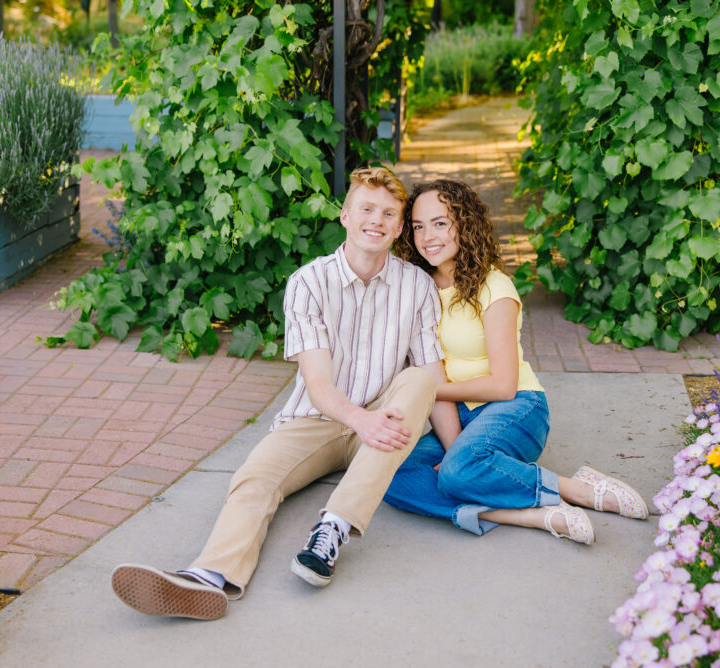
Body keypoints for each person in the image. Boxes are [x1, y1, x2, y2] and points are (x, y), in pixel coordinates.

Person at [110, 167, 459, 621]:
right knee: (254, 477)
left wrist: (456, 456)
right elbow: (317, 385)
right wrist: (361, 421)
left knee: (418, 382)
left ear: (397, 227)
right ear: (346, 216)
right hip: (318, 418)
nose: (376, 220)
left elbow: (434, 377)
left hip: (383, 418)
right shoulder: (308, 283)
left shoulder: (416, 285)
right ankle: (208, 578)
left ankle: (332, 528)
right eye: (366, 209)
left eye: (389, 213)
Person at [383, 179, 649, 543]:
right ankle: (528, 515)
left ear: (464, 223)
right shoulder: (417, 289)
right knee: (389, 471)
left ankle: (576, 490)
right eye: (418, 226)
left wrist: (426, 389)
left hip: (516, 407)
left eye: (440, 223)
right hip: (457, 415)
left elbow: (503, 384)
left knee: (457, 471)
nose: (427, 235)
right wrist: (455, 444)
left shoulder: (493, 286)